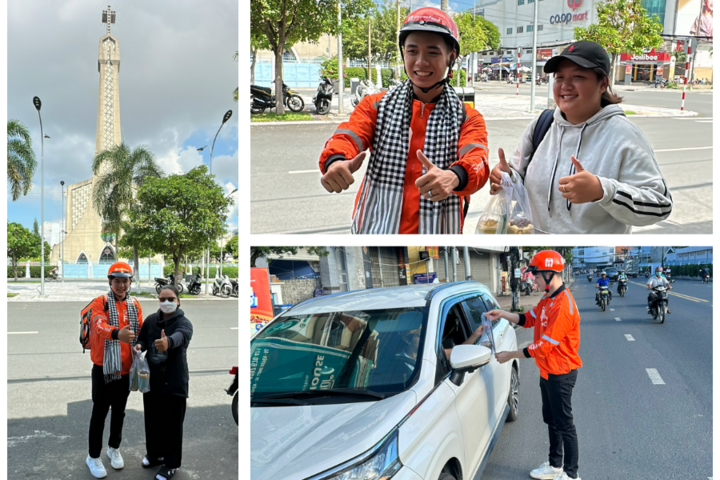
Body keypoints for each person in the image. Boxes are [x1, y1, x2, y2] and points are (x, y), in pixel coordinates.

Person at [318, 7, 490, 234]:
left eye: (433, 52)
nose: (421, 62)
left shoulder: (467, 117)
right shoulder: (375, 105)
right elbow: (348, 136)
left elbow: (477, 159)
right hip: (376, 228)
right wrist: (335, 161)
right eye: (412, 51)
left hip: (437, 234)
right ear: (403, 54)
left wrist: (454, 176)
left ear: (451, 56)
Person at [489, 40, 672, 233]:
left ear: (603, 84)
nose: (565, 86)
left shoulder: (623, 134)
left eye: (577, 76)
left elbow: (660, 204)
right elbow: (521, 183)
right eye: (559, 78)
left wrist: (603, 191)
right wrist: (507, 179)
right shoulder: (542, 124)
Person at [486, 250, 582, 480]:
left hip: (561, 372)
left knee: (565, 424)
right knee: (552, 420)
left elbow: (543, 347)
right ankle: (555, 464)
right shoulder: (548, 298)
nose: (534, 280)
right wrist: (503, 314)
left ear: (550, 274)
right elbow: (529, 319)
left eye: (537, 276)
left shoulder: (563, 305)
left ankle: (571, 474)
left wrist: (510, 354)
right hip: (548, 371)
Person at [86, 262, 144, 479]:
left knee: (119, 411)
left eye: (125, 280)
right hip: (103, 368)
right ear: (110, 281)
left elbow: (138, 330)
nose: (121, 285)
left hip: (125, 369)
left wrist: (139, 344)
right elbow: (98, 325)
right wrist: (116, 333)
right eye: (117, 280)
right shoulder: (100, 302)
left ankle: (113, 448)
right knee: (99, 413)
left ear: (130, 282)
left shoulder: (135, 304)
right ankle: (92, 456)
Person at [135, 285, 194, 480]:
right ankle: (154, 455)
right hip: (152, 382)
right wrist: (139, 345)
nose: (166, 302)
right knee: (152, 422)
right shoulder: (152, 320)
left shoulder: (184, 323)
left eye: (170, 299)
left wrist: (168, 341)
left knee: (172, 426)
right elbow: (143, 338)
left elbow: (181, 336)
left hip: (174, 382)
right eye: (162, 299)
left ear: (178, 301)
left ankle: (171, 464)